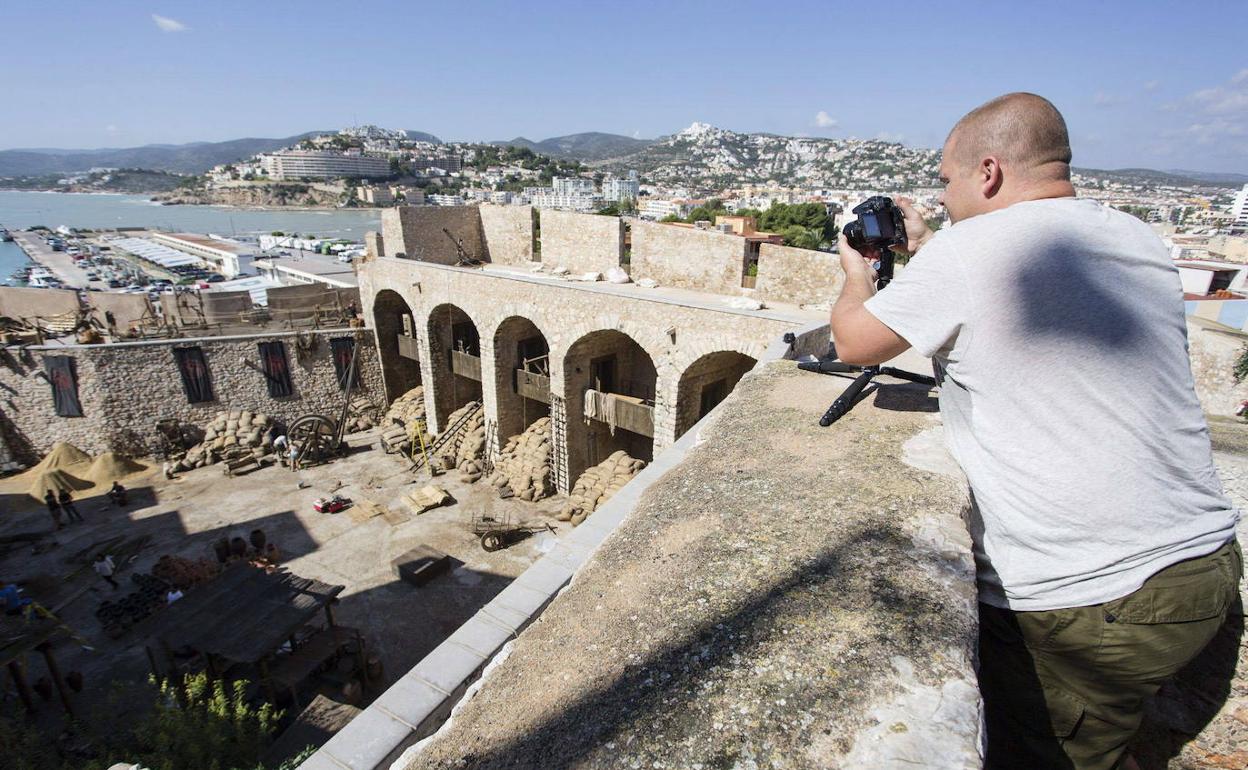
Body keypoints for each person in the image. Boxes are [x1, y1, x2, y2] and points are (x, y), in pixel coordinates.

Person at [830, 92, 1242, 770]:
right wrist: (932, 245)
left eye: (945, 180)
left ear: (987, 172)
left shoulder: (971, 252)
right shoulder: (1130, 234)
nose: (943, 198)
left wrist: (855, 275)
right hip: (1205, 567)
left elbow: (854, 341)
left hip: (1096, 596)